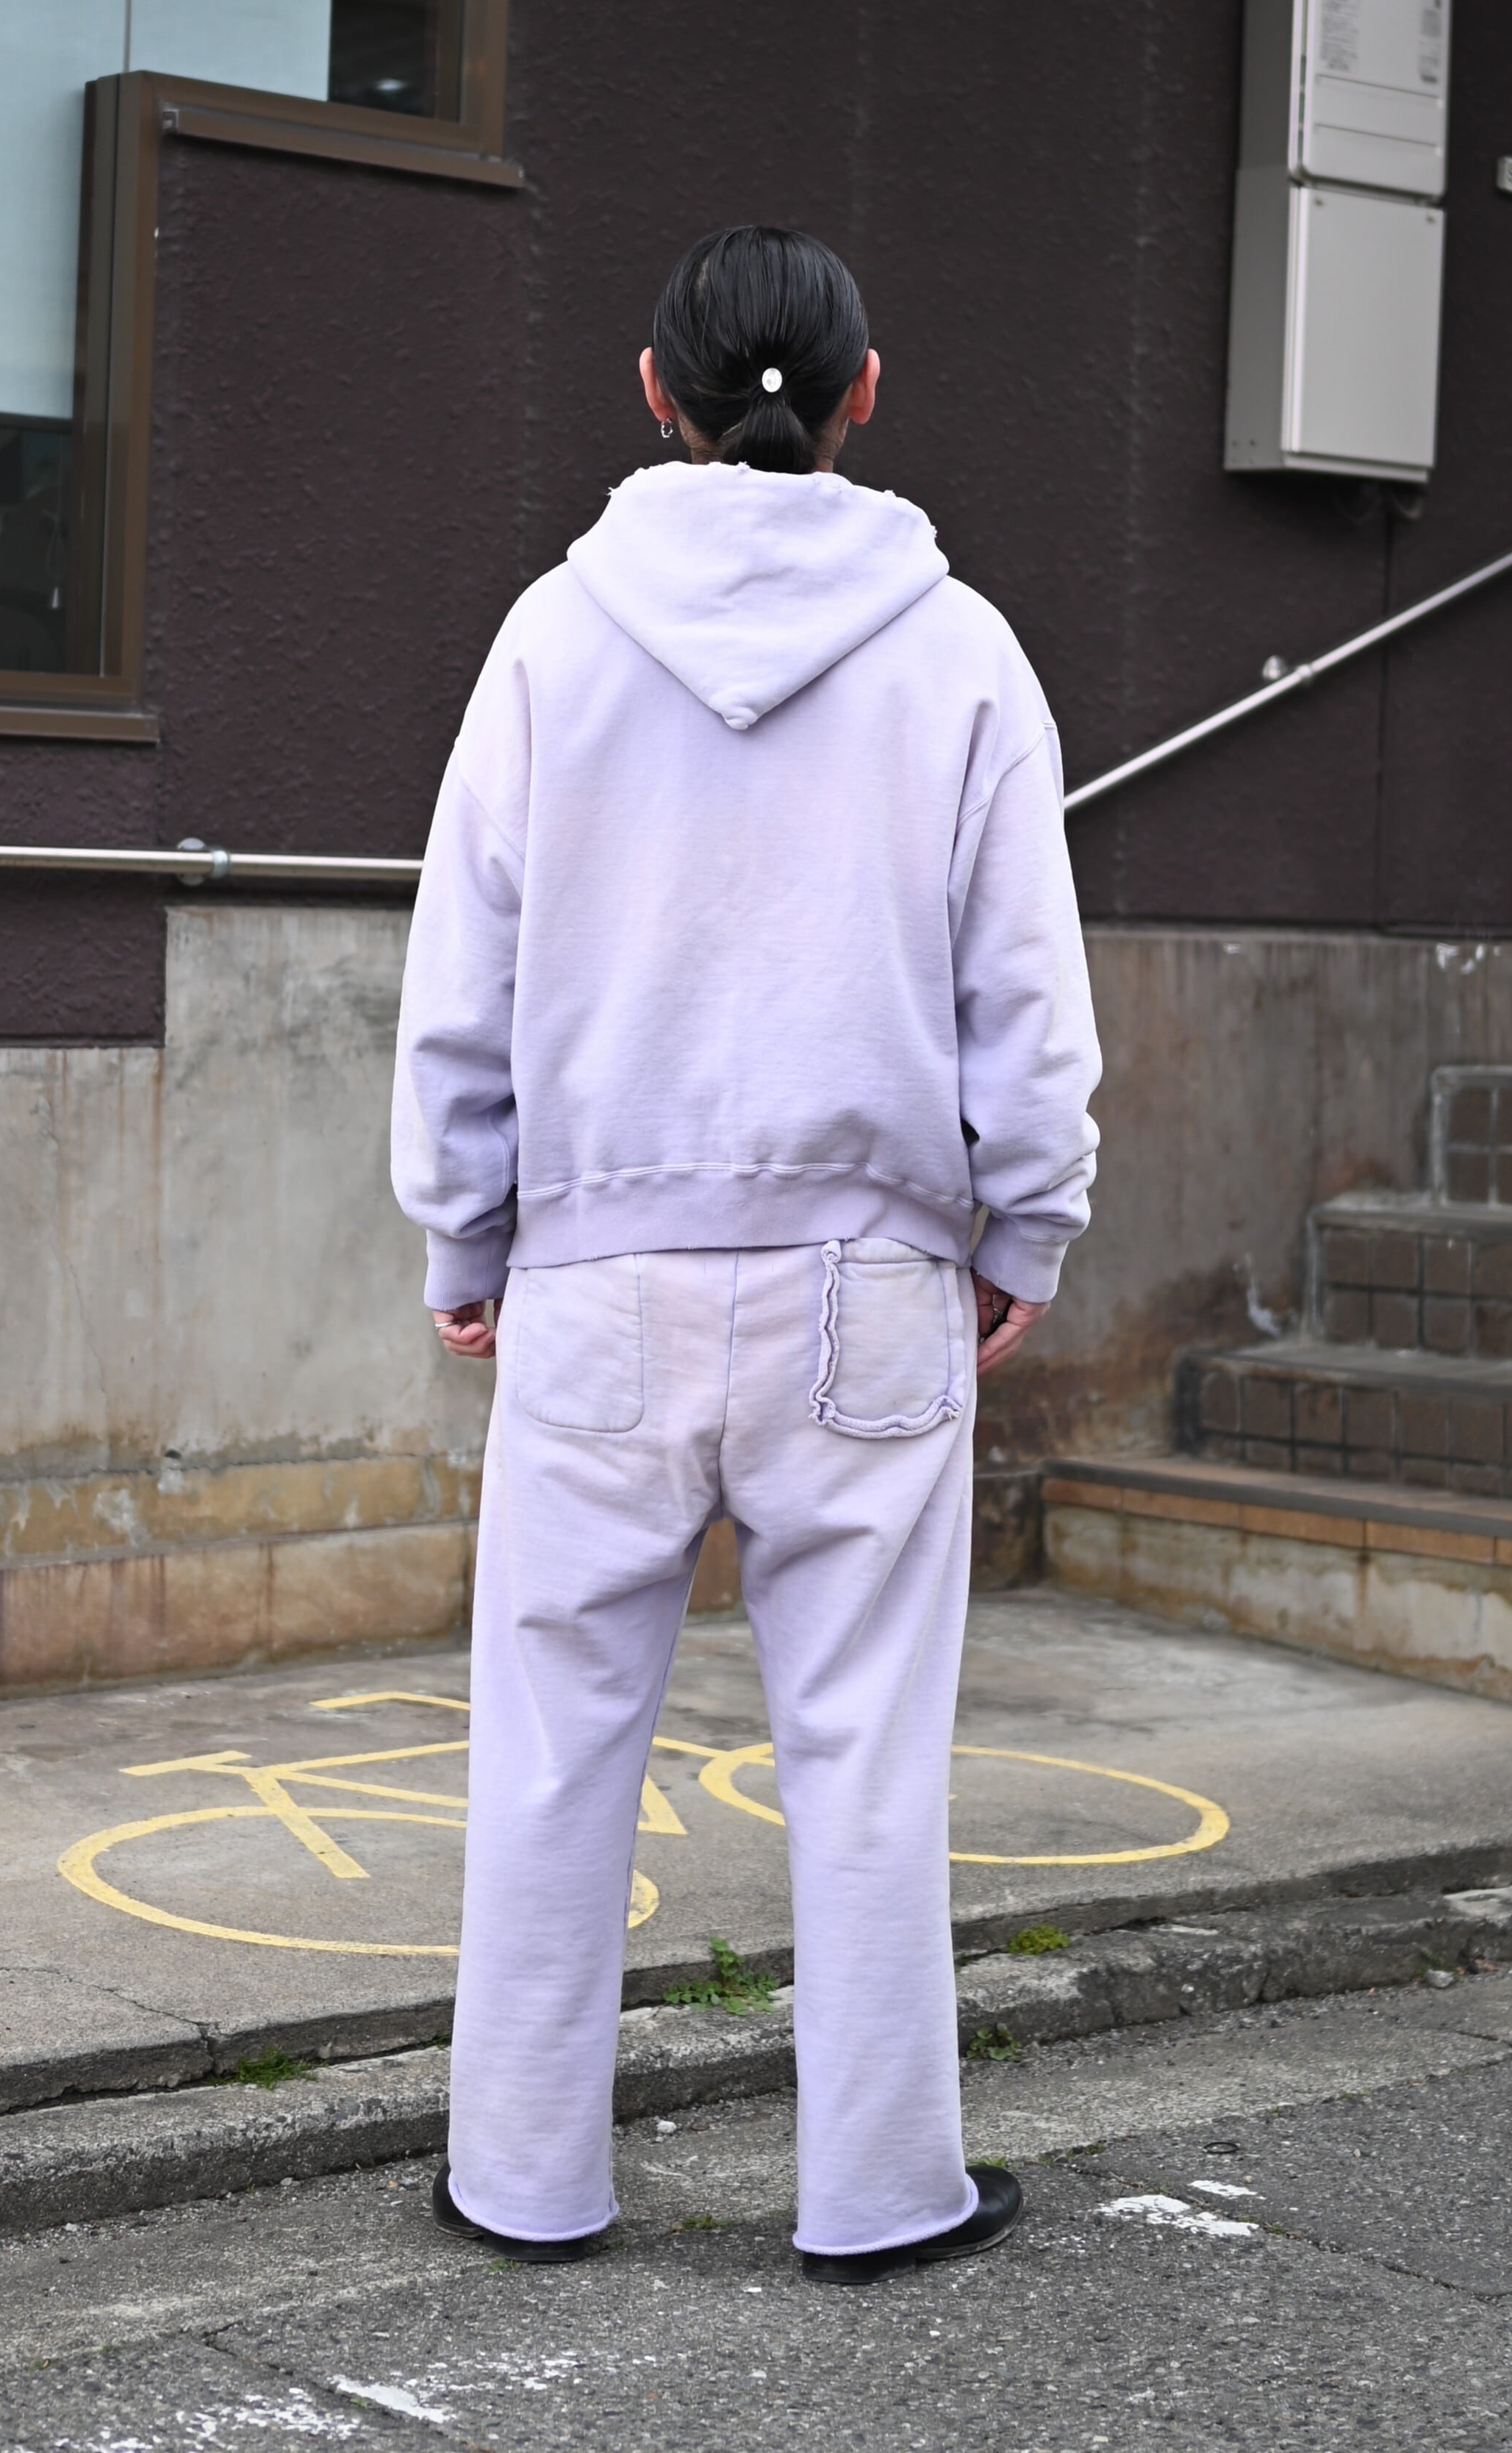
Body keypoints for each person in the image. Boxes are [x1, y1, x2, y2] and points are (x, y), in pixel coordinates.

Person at [390, 223, 1101, 2287]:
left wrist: (465, 1222)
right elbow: (1026, 995)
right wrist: (1025, 1217)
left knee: (552, 1743)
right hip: (870, 1279)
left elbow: (464, 969)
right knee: (867, 1755)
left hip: (597, 1274)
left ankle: (524, 2177)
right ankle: (881, 2193)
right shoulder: (960, 649)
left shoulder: (553, 635)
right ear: (866, 393)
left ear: (654, 393)